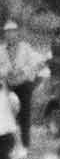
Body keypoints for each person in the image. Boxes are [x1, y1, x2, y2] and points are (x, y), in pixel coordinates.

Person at [2, 20, 50, 148]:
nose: (10, 35)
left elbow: (35, 64)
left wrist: (21, 71)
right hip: (8, 84)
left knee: (25, 113)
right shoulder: (1, 50)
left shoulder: (25, 48)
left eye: (12, 32)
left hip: (23, 83)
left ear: (16, 33)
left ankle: (25, 143)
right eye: (7, 32)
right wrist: (7, 71)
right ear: (5, 34)